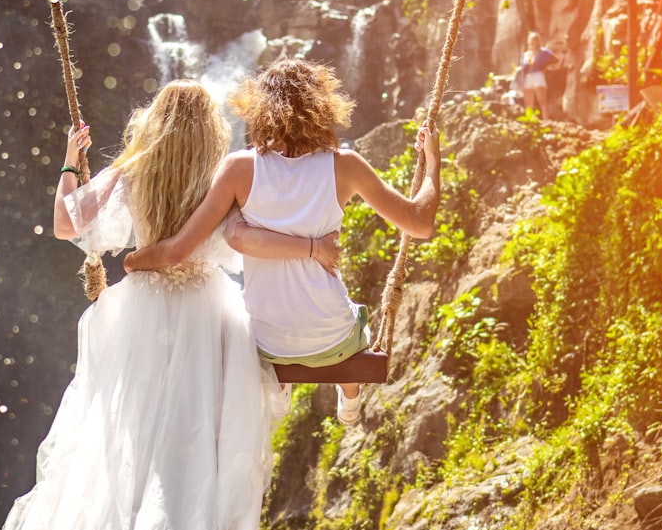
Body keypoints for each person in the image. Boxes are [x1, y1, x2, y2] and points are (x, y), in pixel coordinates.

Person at [0, 80, 338, 530]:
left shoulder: (133, 170)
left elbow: (66, 225)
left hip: (142, 313)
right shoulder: (227, 176)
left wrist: (69, 161)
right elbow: (251, 239)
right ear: (212, 129)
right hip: (209, 313)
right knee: (198, 442)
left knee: (130, 438)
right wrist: (313, 249)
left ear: (154, 119)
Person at [123, 59, 441, 427]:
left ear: (259, 109)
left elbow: (178, 250)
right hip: (330, 338)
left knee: (264, 321)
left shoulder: (238, 169)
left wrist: (133, 261)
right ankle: (349, 397)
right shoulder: (346, 166)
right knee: (353, 329)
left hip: (264, 344)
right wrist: (433, 163)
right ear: (323, 107)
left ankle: (279, 388)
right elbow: (420, 223)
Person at [520, 31, 558, 116]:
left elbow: (555, 59)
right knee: (528, 102)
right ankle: (529, 119)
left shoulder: (544, 52)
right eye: (531, 40)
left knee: (542, 100)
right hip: (528, 76)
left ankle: (545, 120)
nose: (532, 42)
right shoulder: (526, 54)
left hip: (538, 74)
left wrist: (544, 66)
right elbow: (522, 66)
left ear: (538, 41)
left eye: (534, 40)